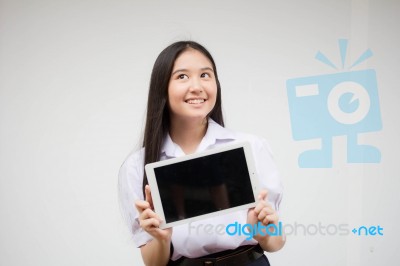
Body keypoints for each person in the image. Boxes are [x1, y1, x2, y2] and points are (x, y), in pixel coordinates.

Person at [118, 41, 285, 266]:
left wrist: (262, 231)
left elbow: (275, 242)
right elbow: (153, 263)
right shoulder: (138, 165)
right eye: (182, 77)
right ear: (162, 88)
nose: (196, 86)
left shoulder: (251, 147)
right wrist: (162, 238)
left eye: (205, 75)